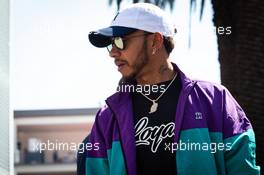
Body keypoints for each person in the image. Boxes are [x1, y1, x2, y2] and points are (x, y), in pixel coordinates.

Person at [84, 3, 260, 175]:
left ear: (156, 41)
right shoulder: (108, 116)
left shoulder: (215, 100)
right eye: (111, 43)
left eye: (120, 41)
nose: (113, 52)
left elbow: (243, 168)